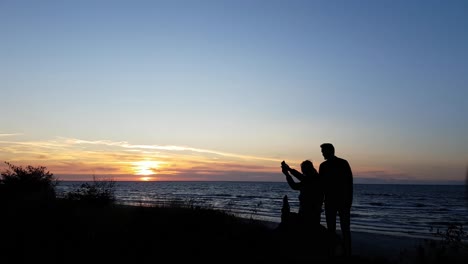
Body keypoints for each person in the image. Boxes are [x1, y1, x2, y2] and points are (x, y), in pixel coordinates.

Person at [319, 143, 353, 257]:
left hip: (342, 202)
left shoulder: (343, 163)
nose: (322, 153)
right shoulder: (323, 166)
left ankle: (346, 253)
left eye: (323, 151)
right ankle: (333, 253)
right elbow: (322, 186)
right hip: (330, 202)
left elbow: (349, 183)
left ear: (330, 151)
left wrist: (349, 201)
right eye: (322, 151)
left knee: (344, 229)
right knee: (332, 229)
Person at [281, 160, 323, 228]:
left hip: (308, 212)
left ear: (307, 169)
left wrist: (287, 174)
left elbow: (295, 185)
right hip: (314, 212)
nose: (302, 172)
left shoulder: (311, 180)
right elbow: (301, 178)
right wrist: (289, 170)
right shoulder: (316, 178)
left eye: (303, 170)